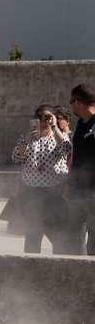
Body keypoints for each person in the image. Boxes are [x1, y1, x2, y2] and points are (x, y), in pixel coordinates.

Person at [10, 105, 71, 253]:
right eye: (39, 117)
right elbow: (16, 157)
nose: (43, 120)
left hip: (54, 193)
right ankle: (30, 270)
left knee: (57, 236)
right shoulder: (26, 138)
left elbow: (67, 149)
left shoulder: (59, 137)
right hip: (31, 193)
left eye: (47, 117)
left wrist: (55, 127)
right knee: (32, 234)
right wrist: (29, 139)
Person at [65, 83, 95, 255]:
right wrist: (69, 184)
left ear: (79, 101)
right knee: (74, 237)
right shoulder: (80, 124)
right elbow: (76, 158)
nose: (71, 105)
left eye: (72, 101)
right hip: (78, 190)